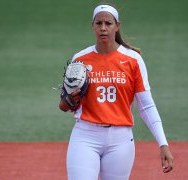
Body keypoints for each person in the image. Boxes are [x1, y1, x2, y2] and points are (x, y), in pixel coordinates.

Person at [59, 4, 174, 180]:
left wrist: (163, 144)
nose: (103, 28)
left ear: (117, 26)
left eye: (108, 23)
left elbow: (147, 105)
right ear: (93, 26)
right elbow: (64, 106)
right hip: (85, 136)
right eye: (99, 23)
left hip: (120, 141)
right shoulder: (80, 60)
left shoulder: (133, 60)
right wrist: (68, 100)